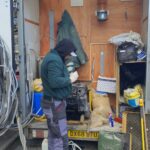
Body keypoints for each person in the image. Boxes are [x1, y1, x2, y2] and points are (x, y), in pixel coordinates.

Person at [41, 39, 79, 150]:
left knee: (54, 134)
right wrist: (70, 79)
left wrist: (67, 74)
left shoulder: (54, 57)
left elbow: (55, 76)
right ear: (63, 51)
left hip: (54, 103)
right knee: (59, 136)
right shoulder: (54, 60)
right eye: (68, 54)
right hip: (54, 104)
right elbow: (54, 81)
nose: (68, 57)